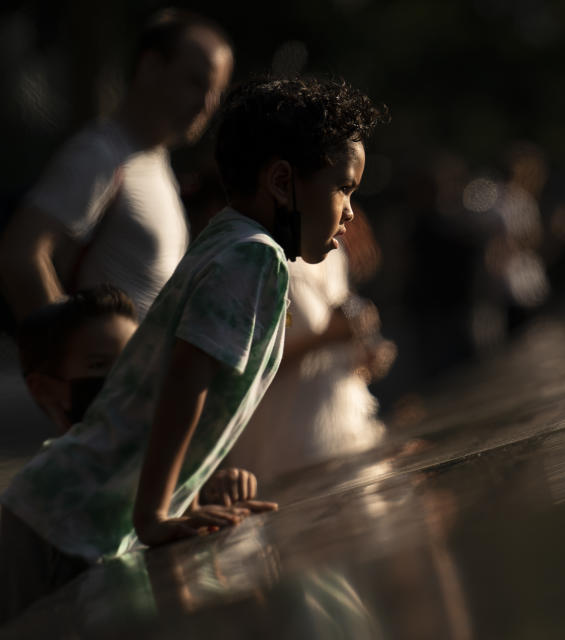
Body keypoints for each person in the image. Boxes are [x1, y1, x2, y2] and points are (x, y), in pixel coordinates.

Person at [0, 76, 387, 623]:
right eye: (343, 187)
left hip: (71, 516)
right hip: (62, 523)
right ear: (282, 181)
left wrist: (188, 495)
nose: (349, 211)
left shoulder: (230, 241)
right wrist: (155, 511)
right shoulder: (253, 257)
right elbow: (187, 377)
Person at [0, 9, 234, 322]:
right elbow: (22, 255)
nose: (207, 105)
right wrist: (69, 359)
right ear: (150, 66)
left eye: (217, 92)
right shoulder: (99, 154)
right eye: (196, 82)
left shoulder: (154, 163)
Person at [15, 283, 262, 504]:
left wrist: (217, 490)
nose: (127, 376)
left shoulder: (178, 470)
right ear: (44, 389)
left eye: (132, 359)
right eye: (98, 365)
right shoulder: (41, 496)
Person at [226, 249, 397, 481]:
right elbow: (236, 367)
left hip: (353, 431)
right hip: (294, 455)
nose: (348, 213)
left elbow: (339, 338)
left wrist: (363, 354)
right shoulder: (260, 262)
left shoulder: (335, 254)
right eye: (342, 208)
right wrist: (326, 337)